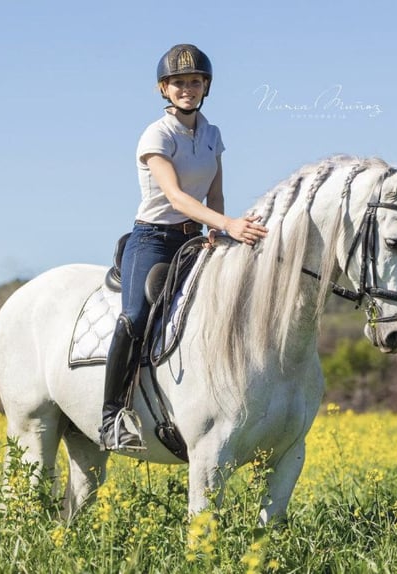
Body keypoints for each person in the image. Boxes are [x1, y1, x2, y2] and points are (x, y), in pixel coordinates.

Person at [100, 43, 269, 451]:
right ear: (164, 88)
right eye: (178, 83)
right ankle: (111, 416)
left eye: (194, 82)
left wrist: (220, 230)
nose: (187, 89)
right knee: (136, 316)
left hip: (197, 237)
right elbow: (175, 197)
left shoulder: (212, 134)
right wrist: (227, 224)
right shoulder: (156, 134)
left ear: (206, 86)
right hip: (153, 238)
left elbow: (216, 194)